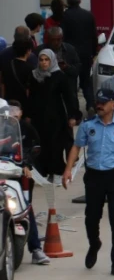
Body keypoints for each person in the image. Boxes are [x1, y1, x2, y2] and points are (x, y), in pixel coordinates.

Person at [62, 89, 114, 277]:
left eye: (104, 102)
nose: (99, 105)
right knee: (91, 216)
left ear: (113, 105)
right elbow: (77, 147)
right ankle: (94, 243)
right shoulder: (88, 126)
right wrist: (68, 170)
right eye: (98, 101)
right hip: (95, 175)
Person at [26, 49, 78, 182]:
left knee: (55, 144)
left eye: (47, 60)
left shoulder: (59, 76)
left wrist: (72, 115)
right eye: (41, 60)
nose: (44, 63)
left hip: (55, 116)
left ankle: (55, 171)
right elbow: (31, 97)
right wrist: (28, 115)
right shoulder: (34, 75)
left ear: (52, 60)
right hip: (38, 116)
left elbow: (68, 96)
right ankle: (42, 171)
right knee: (40, 142)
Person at [60, 0, 98, 110]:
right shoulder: (88, 15)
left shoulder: (65, 16)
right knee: (86, 81)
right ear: (80, 1)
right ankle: (91, 104)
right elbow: (94, 36)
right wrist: (93, 52)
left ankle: (75, 110)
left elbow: (63, 36)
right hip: (86, 53)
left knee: (71, 84)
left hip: (70, 54)